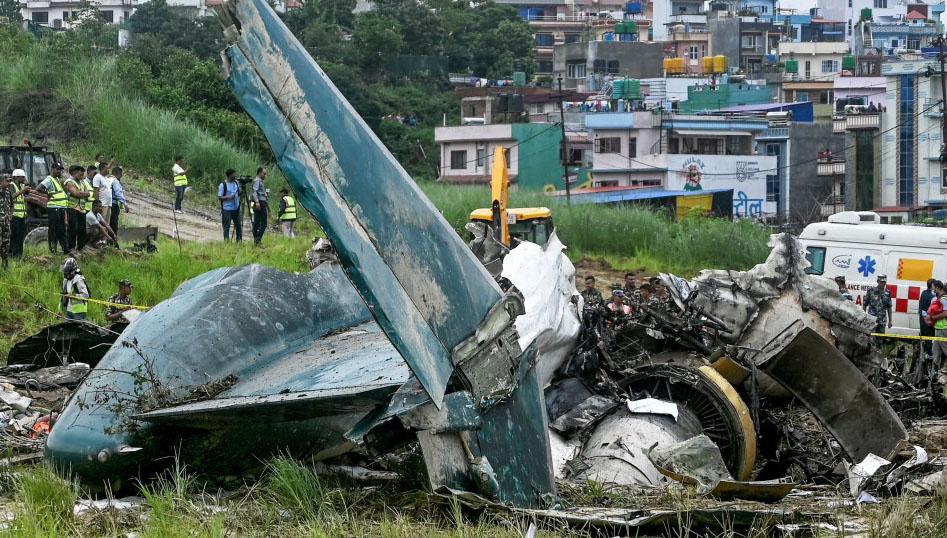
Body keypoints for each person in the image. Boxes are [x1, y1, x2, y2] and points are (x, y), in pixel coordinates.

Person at [38, 163, 69, 254]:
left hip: (60, 207)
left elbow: (64, 191)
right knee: (53, 229)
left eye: (60, 169)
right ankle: (53, 249)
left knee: (62, 229)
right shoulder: (49, 179)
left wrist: (62, 179)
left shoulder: (57, 180)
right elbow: (38, 188)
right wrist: (47, 194)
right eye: (57, 169)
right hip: (54, 207)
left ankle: (65, 248)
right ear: (52, 169)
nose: (59, 171)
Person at [925, 281, 947, 377]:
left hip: (943, 328)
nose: (933, 290)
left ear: (938, 288)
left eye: (934, 288)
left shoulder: (944, 299)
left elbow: (946, 313)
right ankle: (933, 374)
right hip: (938, 328)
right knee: (935, 353)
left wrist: (933, 318)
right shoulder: (939, 299)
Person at [863, 274, 893, 341]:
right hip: (872, 320)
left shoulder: (887, 293)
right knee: (870, 340)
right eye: (882, 282)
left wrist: (890, 321)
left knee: (880, 341)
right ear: (878, 281)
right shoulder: (871, 291)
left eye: (884, 282)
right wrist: (864, 318)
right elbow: (865, 305)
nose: (883, 284)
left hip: (882, 321)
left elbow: (889, 307)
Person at [60, 256, 89, 321]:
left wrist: (74, 296)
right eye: (64, 272)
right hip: (69, 311)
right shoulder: (65, 280)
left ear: (72, 271)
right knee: (67, 329)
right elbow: (63, 296)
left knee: (77, 330)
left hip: (79, 312)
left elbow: (86, 295)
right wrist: (60, 310)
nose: (65, 274)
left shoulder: (79, 280)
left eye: (66, 272)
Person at [9, 169, 29, 259]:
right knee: (14, 236)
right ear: (16, 177)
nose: (24, 178)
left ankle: (19, 255)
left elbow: (20, 199)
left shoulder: (20, 186)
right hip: (14, 215)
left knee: (20, 235)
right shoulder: (11, 185)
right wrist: (23, 190)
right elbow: (12, 197)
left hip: (21, 215)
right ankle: (13, 254)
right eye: (22, 177)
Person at [218, 169, 242, 242]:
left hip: (236, 208)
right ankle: (226, 241)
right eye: (234, 174)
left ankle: (239, 240)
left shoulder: (236, 183)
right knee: (226, 226)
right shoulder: (223, 185)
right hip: (227, 209)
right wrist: (229, 197)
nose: (235, 175)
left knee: (238, 225)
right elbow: (220, 197)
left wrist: (241, 192)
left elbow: (239, 193)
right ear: (230, 175)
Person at [250, 167, 268, 246]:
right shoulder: (257, 180)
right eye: (264, 174)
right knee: (263, 223)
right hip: (260, 202)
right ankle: (258, 239)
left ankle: (256, 241)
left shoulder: (259, 181)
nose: (265, 175)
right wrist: (257, 201)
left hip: (261, 201)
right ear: (260, 173)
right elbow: (254, 191)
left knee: (257, 222)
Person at [920, 278, 936, 360]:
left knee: (923, 339)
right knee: (929, 338)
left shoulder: (923, 293)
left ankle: (922, 354)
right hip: (929, 321)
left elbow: (921, 307)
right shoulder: (933, 296)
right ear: (932, 285)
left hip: (922, 320)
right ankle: (928, 354)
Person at [110, 167, 129, 236]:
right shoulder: (115, 181)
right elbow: (118, 193)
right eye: (121, 174)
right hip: (113, 205)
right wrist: (125, 204)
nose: (121, 176)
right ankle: (113, 242)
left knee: (108, 223)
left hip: (107, 204)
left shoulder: (108, 179)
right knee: (113, 224)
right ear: (118, 173)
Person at [93, 163, 113, 227]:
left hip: (108, 204)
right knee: (101, 223)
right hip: (102, 204)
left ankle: (105, 237)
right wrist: (97, 205)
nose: (108, 170)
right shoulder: (97, 177)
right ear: (102, 169)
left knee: (107, 223)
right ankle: (100, 237)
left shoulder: (106, 178)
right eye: (107, 168)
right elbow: (96, 191)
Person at [0, 173, 12, 269]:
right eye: (6, 181)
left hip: (6, 223)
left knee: (6, 243)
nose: (8, 183)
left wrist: (10, 215)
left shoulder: (8, 192)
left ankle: (5, 264)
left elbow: (11, 204)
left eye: (9, 181)